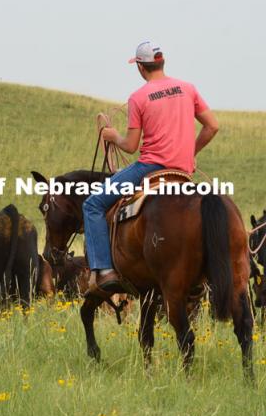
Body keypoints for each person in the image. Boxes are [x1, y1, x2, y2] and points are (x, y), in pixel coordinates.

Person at [83, 41, 219, 293]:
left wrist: (112, 137)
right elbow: (212, 126)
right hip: (182, 171)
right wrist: (190, 154)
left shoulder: (138, 97)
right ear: (161, 62)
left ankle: (103, 270)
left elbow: (131, 146)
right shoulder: (188, 88)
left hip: (149, 167)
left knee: (92, 204)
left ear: (141, 68)